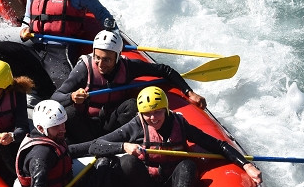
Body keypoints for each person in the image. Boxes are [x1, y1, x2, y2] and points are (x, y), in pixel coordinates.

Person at [89, 86, 262, 187]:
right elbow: (95, 145)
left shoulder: (179, 124)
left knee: (187, 165)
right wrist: (123, 146)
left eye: (157, 112)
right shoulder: (136, 126)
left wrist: (246, 165)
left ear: (165, 110)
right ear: (141, 114)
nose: (153, 118)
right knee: (127, 161)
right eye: (148, 114)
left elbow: (217, 145)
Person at [52, 29, 208, 142]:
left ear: (118, 57)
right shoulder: (84, 68)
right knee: (70, 112)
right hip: (86, 124)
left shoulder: (128, 67)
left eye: (107, 59)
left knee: (132, 105)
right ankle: (89, 146)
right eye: (97, 57)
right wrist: (72, 97)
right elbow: (55, 98)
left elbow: (164, 70)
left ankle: (113, 142)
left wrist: (189, 92)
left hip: (113, 125)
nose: (100, 64)